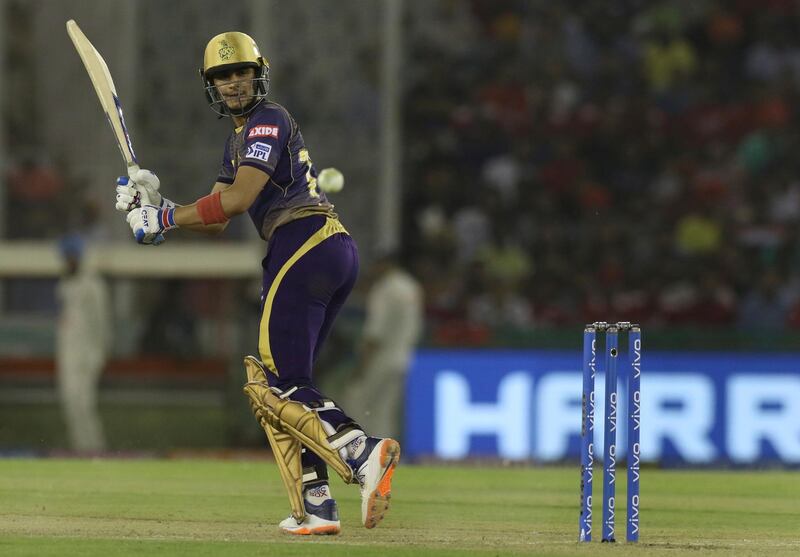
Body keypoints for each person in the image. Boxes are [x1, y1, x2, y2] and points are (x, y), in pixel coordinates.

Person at [114, 32, 399, 536]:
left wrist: (164, 219)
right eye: (222, 76)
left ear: (258, 73)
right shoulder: (237, 140)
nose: (233, 83)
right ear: (211, 86)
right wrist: (155, 206)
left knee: (276, 381)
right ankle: (316, 504)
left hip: (305, 243)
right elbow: (218, 216)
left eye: (240, 72)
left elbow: (241, 199)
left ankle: (360, 449)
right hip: (321, 249)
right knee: (285, 382)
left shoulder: (269, 119)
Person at [348, 253, 423, 441]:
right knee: (385, 410)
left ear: (384, 264)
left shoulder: (385, 288)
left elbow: (376, 331)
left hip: (381, 358)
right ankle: (386, 454)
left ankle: (363, 453)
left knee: (359, 404)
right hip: (403, 356)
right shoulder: (410, 286)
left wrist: (361, 365)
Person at [55, 234, 111, 453]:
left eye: (71, 257)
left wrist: (99, 353)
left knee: (84, 403)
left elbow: (102, 322)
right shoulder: (65, 284)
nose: (68, 261)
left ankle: (95, 448)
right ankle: (79, 448)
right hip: (68, 354)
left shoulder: (93, 285)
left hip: (87, 355)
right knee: (70, 402)